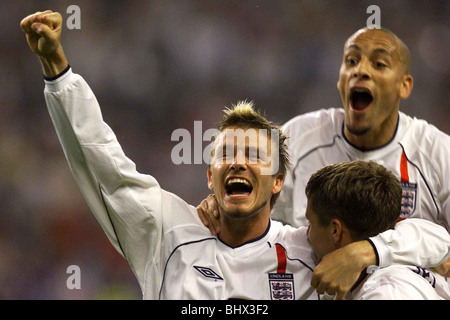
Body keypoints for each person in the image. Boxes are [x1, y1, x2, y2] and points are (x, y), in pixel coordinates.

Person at [20, 10, 450, 300]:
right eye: (228, 153)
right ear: (210, 176)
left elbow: (429, 242)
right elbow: (103, 163)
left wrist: (364, 253)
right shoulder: (165, 231)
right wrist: (58, 71)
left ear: (279, 183)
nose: (239, 162)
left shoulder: (315, 248)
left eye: (254, 155)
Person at [197, 27, 450, 278]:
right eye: (351, 61)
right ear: (339, 79)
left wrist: (364, 253)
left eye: (379, 64)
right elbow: (255, 213)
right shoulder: (301, 137)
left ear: (404, 86)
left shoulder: (438, 154)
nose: (360, 71)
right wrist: (222, 205)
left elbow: (441, 243)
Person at [305, 160, 450, 299]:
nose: (306, 232)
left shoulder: (388, 291)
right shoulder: (403, 248)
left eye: (310, 223)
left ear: (335, 230)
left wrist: (357, 255)